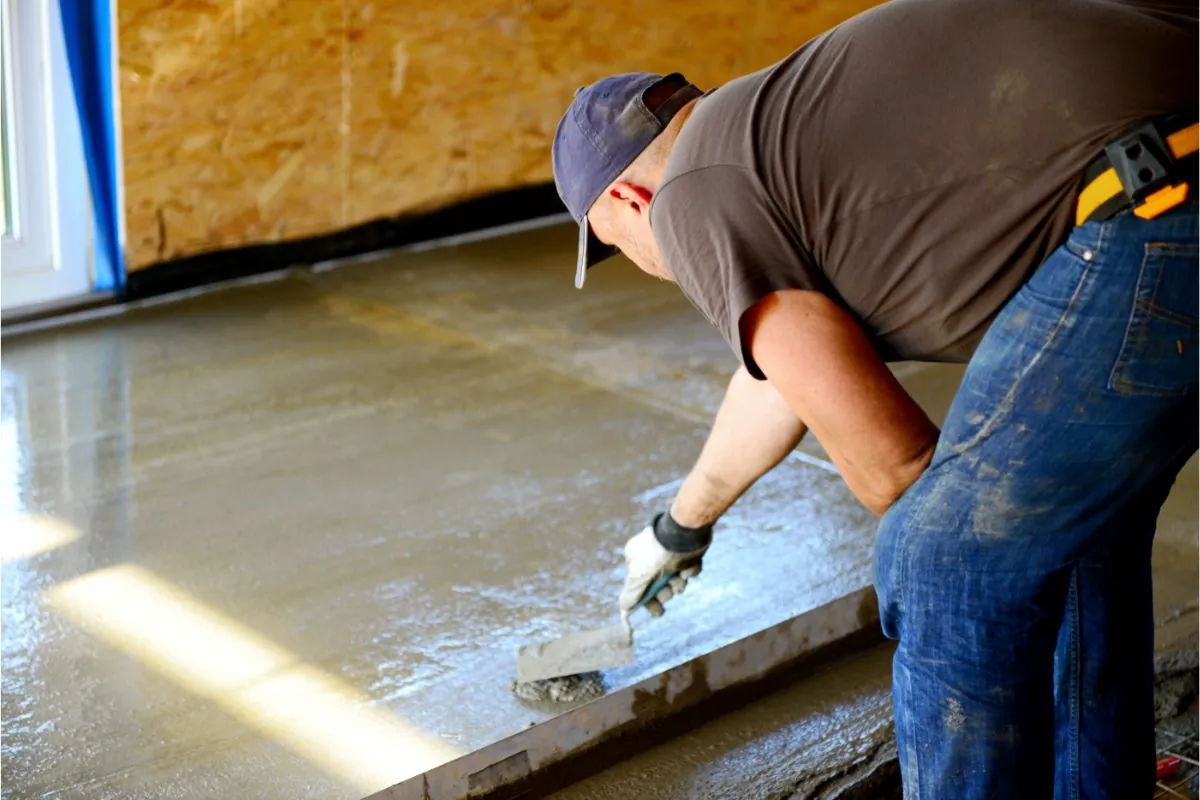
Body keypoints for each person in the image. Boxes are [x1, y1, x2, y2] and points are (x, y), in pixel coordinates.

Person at [550, 0, 1198, 796]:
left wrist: (934, 523)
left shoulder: (691, 197)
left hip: (1155, 208)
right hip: (1166, 170)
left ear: (626, 203)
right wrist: (681, 526)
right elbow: (783, 376)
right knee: (1067, 527)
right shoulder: (767, 134)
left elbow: (894, 464)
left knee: (938, 560)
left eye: (619, 251)